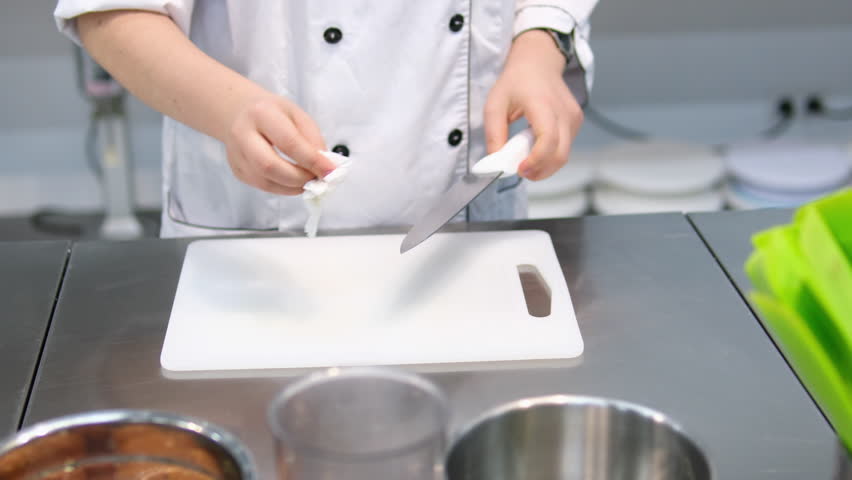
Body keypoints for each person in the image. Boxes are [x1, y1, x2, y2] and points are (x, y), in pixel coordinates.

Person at [54, 1, 598, 237]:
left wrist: (541, 42)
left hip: (467, 220)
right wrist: (231, 109)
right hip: (259, 229)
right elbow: (110, 11)